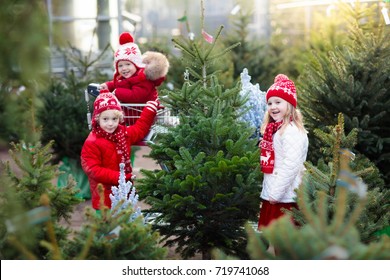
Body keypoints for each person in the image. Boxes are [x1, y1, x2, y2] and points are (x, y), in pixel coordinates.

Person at [80, 91, 159, 211]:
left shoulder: (123, 134)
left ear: (119, 118)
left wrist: (149, 111)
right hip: (104, 196)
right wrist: (120, 177)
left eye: (114, 119)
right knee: (107, 226)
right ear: (97, 119)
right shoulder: (92, 141)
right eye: (105, 119)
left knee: (125, 223)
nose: (110, 123)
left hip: (124, 191)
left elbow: (139, 129)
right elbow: (93, 170)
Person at [257, 74, 309, 230]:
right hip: (276, 191)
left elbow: (291, 165)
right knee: (273, 241)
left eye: (278, 102)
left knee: (282, 238)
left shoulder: (291, 131)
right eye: (270, 103)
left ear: (290, 105)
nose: (273, 107)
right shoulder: (276, 129)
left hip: (284, 196)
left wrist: (276, 193)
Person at [100, 32, 169, 105]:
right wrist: (108, 85)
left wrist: (117, 92)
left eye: (128, 64)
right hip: (131, 113)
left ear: (136, 64)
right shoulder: (127, 77)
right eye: (120, 66)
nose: (124, 68)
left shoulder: (143, 79)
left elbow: (135, 97)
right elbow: (120, 84)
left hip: (144, 112)